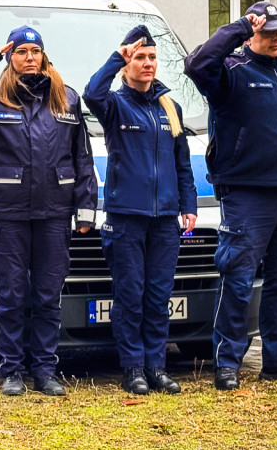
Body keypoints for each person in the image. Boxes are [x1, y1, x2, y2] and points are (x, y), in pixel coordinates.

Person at [0, 26, 96, 396]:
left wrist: (87, 206)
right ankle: (11, 369)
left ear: (44, 57)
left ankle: (45, 370)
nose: (30, 57)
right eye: (22, 51)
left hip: (54, 214)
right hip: (6, 215)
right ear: (11, 57)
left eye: (35, 51)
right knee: (11, 296)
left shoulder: (67, 100)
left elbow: (82, 157)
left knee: (47, 296)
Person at [183, 2, 277, 390]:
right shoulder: (230, 72)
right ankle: (227, 361)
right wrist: (239, 27)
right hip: (247, 194)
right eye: (268, 32)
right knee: (238, 278)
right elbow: (196, 65)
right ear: (251, 35)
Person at [83, 25, 197, 395]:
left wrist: (188, 206)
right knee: (130, 296)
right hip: (126, 218)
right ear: (127, 63)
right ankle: (132, 368)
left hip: (165, 220)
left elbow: (183, 165)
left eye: (151, 58)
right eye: (139, 57)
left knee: (158, 297)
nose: (147, 64)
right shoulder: (115, 104)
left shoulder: (169, 108)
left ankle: (156, 366)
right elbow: (91, 92)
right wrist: (119, 54)